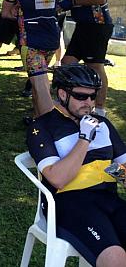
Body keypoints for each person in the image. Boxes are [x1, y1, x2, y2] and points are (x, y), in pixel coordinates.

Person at [27, 64, 126, 267]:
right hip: (70, 203)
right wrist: (84, 139)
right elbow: (57, 178)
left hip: (109, 198)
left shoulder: (103, 124)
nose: (88, 103)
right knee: (115, 257)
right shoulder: (42, 126)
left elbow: (122, 166)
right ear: (63, 94)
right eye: (81, 96)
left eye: (93, 96)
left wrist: (120, 174)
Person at [2, 0, 61, 117]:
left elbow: (5, 13)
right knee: (38, 84)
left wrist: (18, 11)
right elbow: (57, 7)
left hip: (30, 39)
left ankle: (51, 129)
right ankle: (38, 122)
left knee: (41, 86)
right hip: (51, 37)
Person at [58, 0, 113, 116]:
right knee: (67, 63)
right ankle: (66, 104)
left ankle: (100, 110)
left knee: (95, 66)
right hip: (84, 25)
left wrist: (72, 2)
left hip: (96, 25)